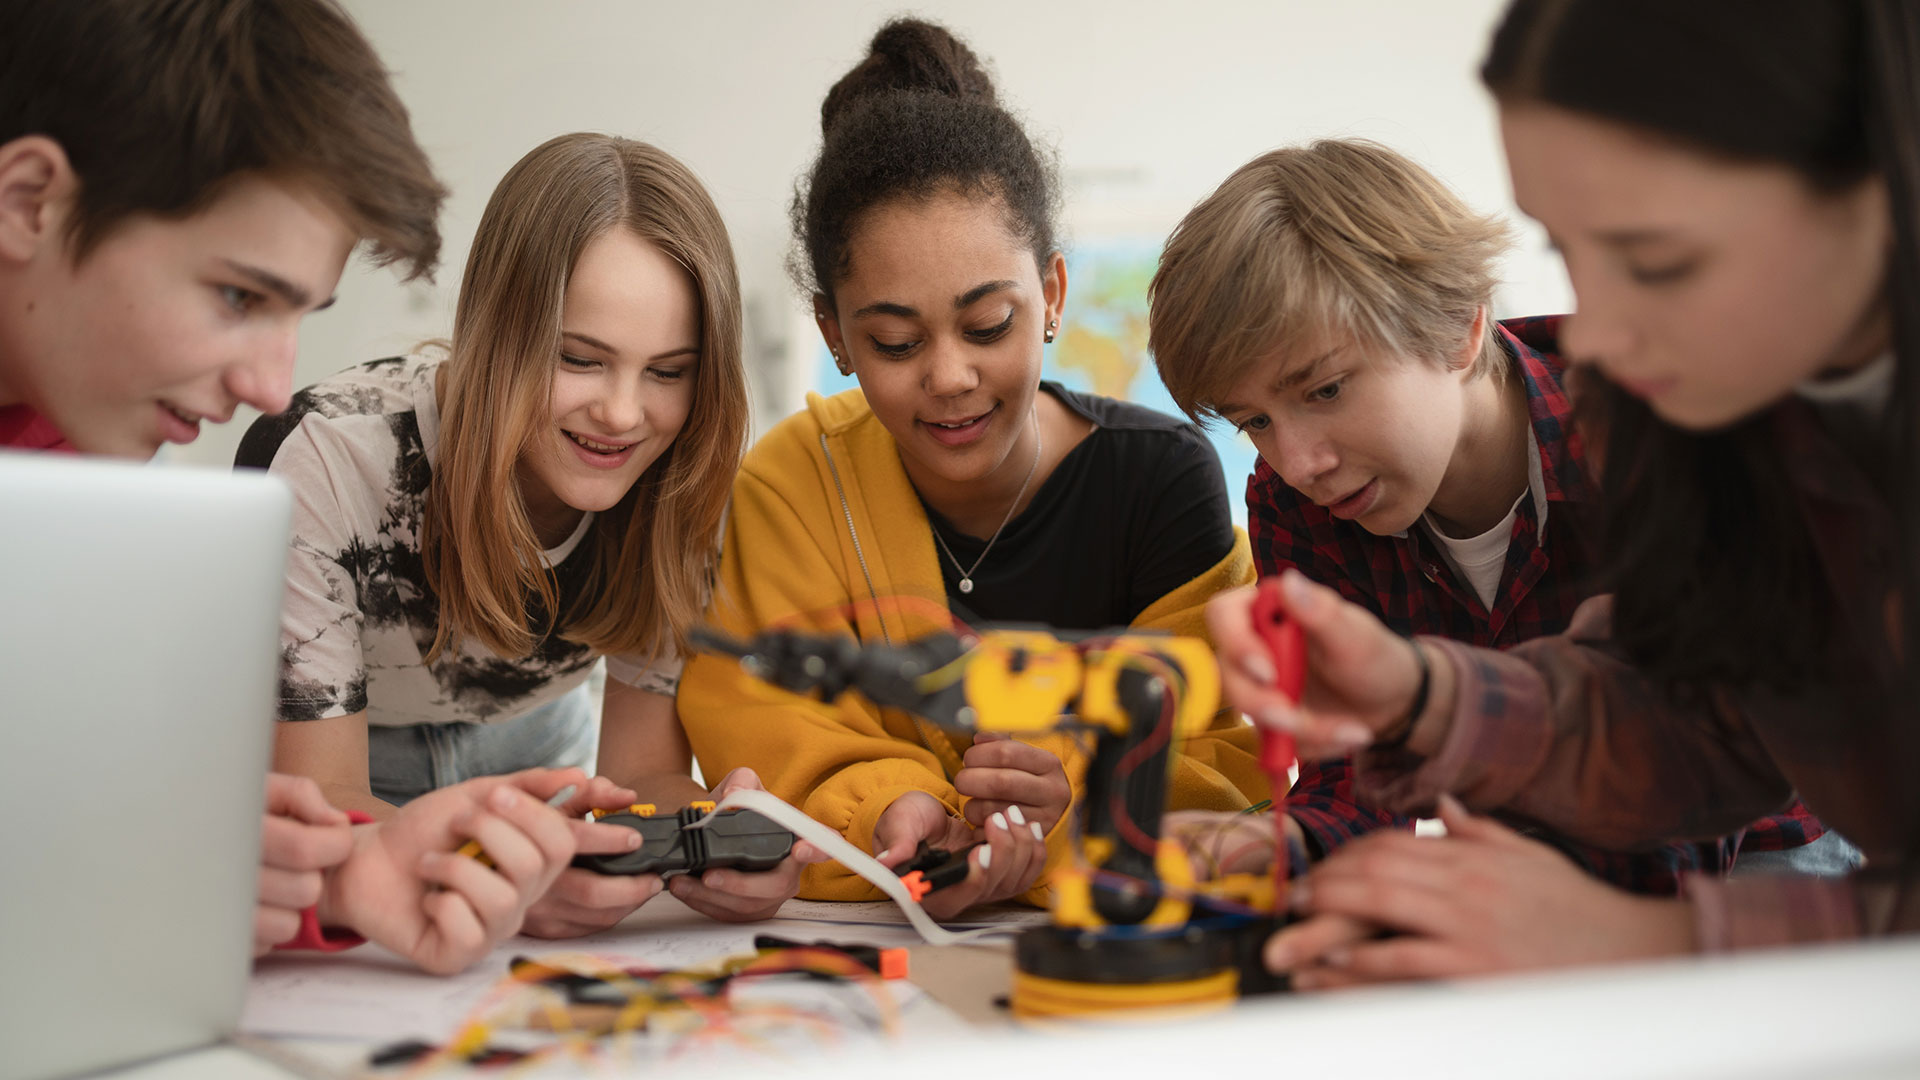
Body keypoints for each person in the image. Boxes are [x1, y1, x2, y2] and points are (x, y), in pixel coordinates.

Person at [1206, 0, 1917, 988]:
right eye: (1572, 252)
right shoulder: (1731, 411)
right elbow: (1696, 710)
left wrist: (1649, 947)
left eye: (1656, 261)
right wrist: (1419, 696)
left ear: (1877, 181)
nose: (1602, 335)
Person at [0, 0, 579, 973]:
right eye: (238, 296)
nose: (271, 387)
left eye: (300, 313)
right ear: (28, 201)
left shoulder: (74, 467)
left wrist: (346, 873)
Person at [676, 18, 1268, 919]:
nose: (950, 377)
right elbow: (768, 737)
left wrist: (1060, 815)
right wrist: (897, 814)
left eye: (989, 325)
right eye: (894, 340)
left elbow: (1229, 765)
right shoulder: (793, 484)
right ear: (834, 334)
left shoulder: (1161, 480)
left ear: (1055, 295)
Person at [1147, 138, 1840, 895]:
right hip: (1537, 866)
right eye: (1254, 422)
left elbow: (1689, 769)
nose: (1299, 460)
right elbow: (1352, 770)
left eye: (1325, 390)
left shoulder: (1656, 429)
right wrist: (1287, 844)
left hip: (1767, 849)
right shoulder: (1292, 504)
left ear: (1456, 328)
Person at [237, 133, 820, 937]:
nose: (622, 414)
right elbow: (319, 800)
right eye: (580, 360)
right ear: (495, 331)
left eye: (667, 371)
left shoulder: (686, 482)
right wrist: (501, 866)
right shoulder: (326, 456)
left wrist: (701, 841)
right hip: (344, 767)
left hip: (539, 756)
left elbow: (643, 774)